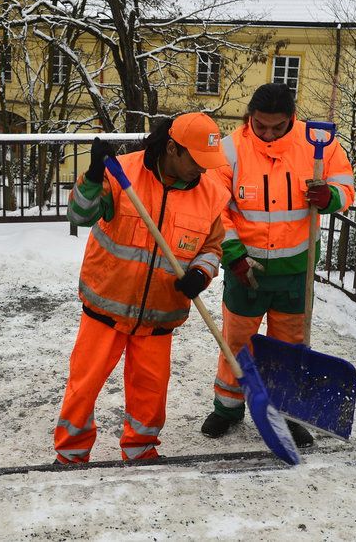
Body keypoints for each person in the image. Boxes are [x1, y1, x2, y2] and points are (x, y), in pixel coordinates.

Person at [53, 113, 230, 463]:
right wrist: (91, 178)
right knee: (83, 388)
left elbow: (212, 248)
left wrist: (200, 273)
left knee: (151, 392)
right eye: (196, 160)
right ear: (171, 148)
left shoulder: (212, 194)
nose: (203, 170)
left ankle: (141, 450)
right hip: (106, 305)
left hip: (161, 312)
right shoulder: (123, 173)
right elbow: (80, 214)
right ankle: (71, 454)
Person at [200, 83, 355, 447]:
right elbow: (215, 208)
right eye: (260, 125)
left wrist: (329, 196)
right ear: (249, 117)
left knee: (290, 345)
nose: (268, 133)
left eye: (277, 126)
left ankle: (288, 412)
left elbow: (346, 188)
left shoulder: (320, 145)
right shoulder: (229, 150)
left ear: (292, 119)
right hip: (246, 268)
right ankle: (227, 408)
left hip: (295, 272)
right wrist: (234, 255)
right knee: (237, 342)